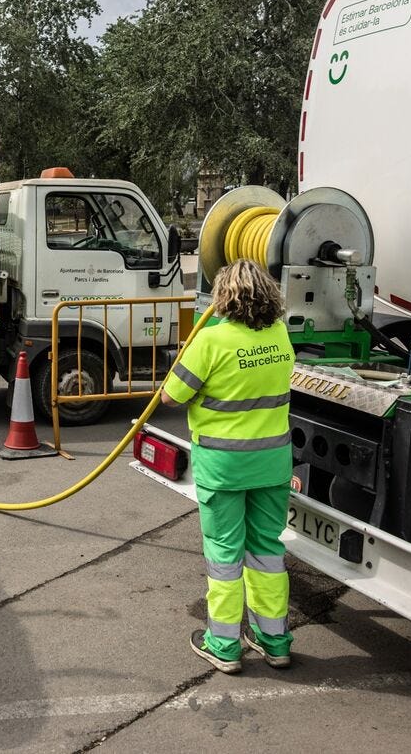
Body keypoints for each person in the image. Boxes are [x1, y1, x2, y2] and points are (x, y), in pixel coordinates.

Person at [160, 259, 296, 674]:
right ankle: (274, 640)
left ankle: (223, 644)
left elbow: (170, 397)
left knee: (224, 554)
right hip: (271, 463)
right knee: (268, 551)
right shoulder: (279, 334)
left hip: (224, 467)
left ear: (223, 296)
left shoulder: (211, 341)